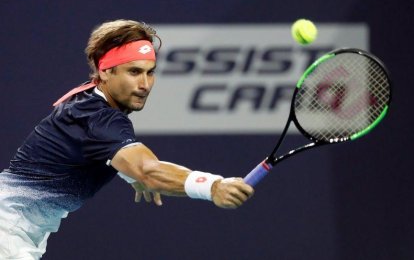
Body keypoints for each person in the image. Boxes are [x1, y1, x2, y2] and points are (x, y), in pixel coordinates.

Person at [0, 19, 254, 259]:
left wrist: (131, 172)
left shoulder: (88, 103)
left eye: (150, 72)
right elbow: (149, 170)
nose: (145, 84)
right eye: (134, 72)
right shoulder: (99, 118)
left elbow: (101, 152)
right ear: (106, 72)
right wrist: (212, 186)